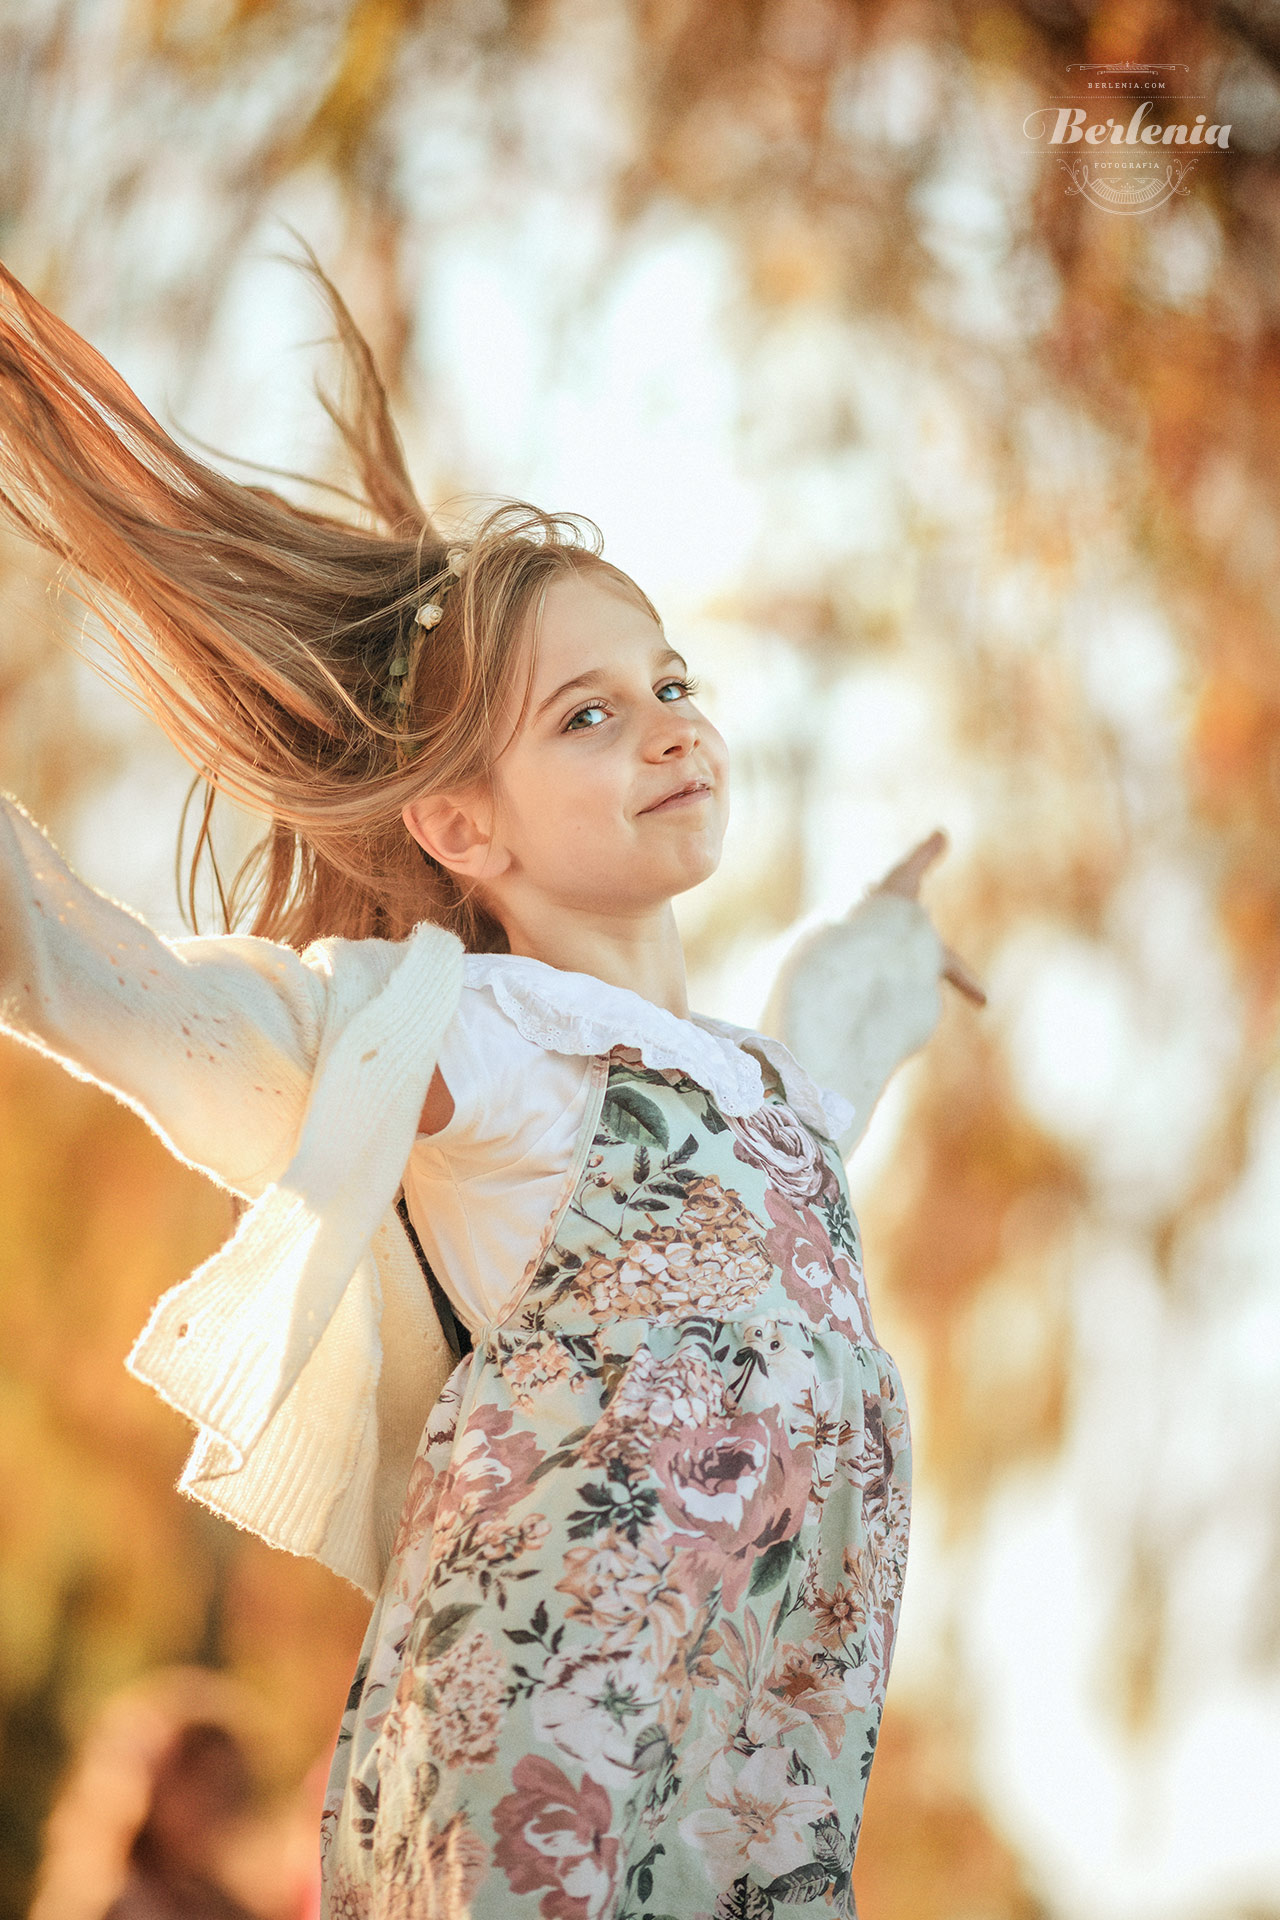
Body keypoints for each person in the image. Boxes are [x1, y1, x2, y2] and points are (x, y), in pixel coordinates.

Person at [0, 256, 984, 1920]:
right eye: (589, 717)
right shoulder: (479, 1038)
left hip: (741, 1776)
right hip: (539, 1760)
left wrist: (882, 948)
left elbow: (822, 1060)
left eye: (673, 683)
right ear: (464, 832)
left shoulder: (761, 1085)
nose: (668, 727)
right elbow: (135, 998)